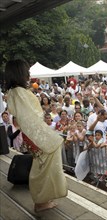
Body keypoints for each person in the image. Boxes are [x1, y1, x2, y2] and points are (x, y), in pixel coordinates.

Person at [4, 60, 67, 212]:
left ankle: (44, 197)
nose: (29, 73)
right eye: (27, 70)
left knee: (41, 165)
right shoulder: (19, 92)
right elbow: (29, 119)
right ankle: (40, 201)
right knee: (42, 167)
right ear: (20, 72)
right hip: (36, 134)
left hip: (33, 133)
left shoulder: (15, 92)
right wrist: (48, 137)